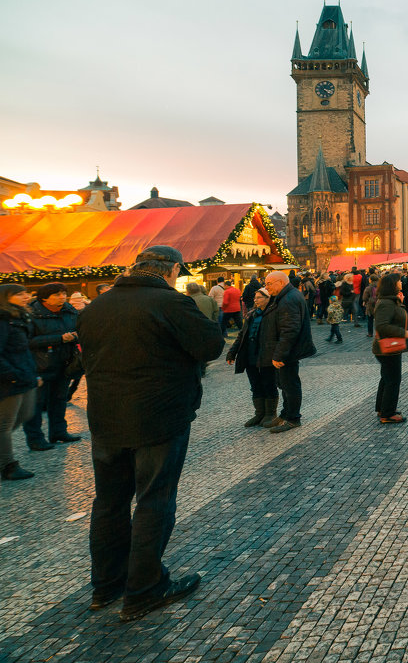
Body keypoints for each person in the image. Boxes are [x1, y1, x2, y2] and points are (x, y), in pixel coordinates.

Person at [78, 245, 224, 621]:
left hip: (107, 419)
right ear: (173, 269)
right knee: (154, 500)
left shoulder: (98, 306)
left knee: (108, 503)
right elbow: (209, 345)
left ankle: (106, 585)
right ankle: (143, 589)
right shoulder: (170, 303)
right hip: (158, 417)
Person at [23, 282, 82, 450]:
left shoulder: (69, 310)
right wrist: (59, 339)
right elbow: (27, 341)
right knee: (36, 404)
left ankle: (58, 432)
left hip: (64, 364)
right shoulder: (32, 313)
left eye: (64, 293)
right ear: (44, 298)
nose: (62, 297)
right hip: (40, 366)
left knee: (59, 400)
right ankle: (35, 439)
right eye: (57, 294)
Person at [258, 271, 317, 434]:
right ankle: (285, 414)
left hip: (288, 352)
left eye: (269, 284)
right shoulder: (287, 295)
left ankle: (292, 418)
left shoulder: (288, 299)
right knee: (284, 384)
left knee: (289, 385)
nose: (266, 287)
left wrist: (279, 355)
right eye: (266, 283)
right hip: (286, 350)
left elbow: (289, 330)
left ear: (281, 283)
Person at [1, 284, 39, 481]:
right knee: (5, 424)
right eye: (19, 294)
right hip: (10, 380)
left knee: (26, 413)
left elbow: (25, 350)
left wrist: (32, 374)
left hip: (24, 376)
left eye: (25, 293)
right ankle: (7, 465)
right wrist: (12, 375)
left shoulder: (20, 317)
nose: (25, 296)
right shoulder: (3, 320)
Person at [225, 287, 278, 427]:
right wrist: (232, 352)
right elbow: (242, 335)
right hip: (250, 355)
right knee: (255, 385)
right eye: (255, 298)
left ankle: (271, 414)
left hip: (266, 354)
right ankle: (259, 413)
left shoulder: (273, 313)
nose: (255, 300)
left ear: (268, 298)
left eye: (259, 297)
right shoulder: (251, 314)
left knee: (269, 383)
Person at [372, 273, 408, 423]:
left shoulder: (390, 301)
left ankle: (382, 408)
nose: (401, 282)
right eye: (398, 281)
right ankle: (388, 414)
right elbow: (381, 325)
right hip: (388, 347)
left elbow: (395, 316)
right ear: (392, 284)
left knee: (386, 378)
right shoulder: (386, 303)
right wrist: (403, 333)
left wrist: (400, 302)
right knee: (393, 379)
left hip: (388, 347)